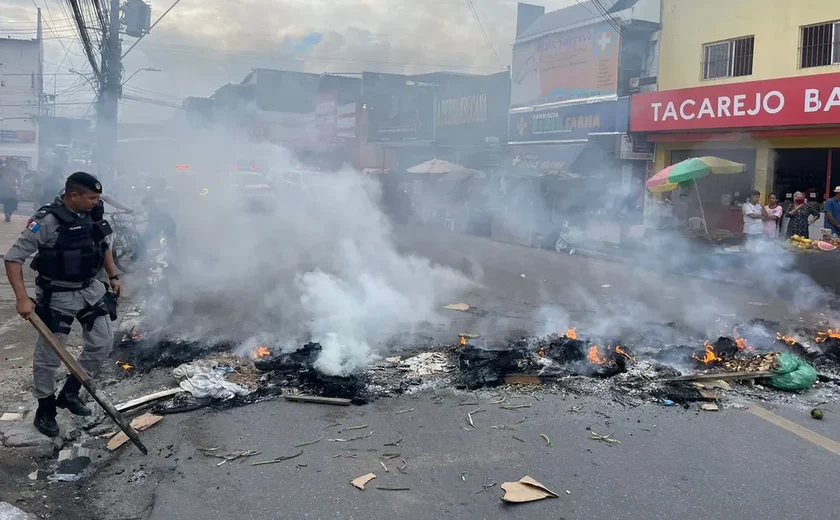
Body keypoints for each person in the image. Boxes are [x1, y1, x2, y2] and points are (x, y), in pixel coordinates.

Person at [4, 172, 122, 438]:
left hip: (91, 290)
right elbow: (13, 259)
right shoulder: (46, 221)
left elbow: (103, 245)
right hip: (57, 296)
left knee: (102, 343)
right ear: (73, 196)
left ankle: (70, 393)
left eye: (97, 197)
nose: (96, 202)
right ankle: (45, 409)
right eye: (91, 197)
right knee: (48, 358)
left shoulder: (93, 213)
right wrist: (22, 299)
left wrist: (113, 275)